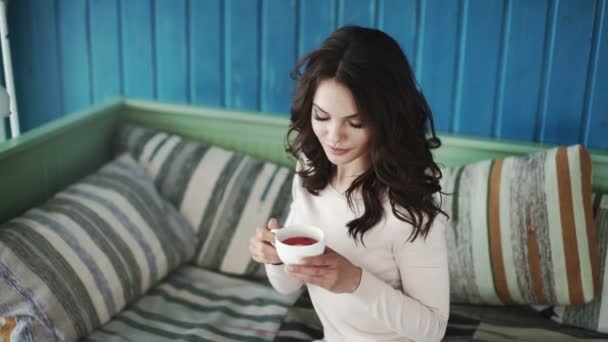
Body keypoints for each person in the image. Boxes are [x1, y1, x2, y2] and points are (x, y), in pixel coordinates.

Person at [249, 25, 449, 342]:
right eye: (321, 117)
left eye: (355, 123)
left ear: (386, 119)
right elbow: (287, 285)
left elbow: (433, 330)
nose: (334, 137)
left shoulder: (408, 205)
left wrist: (356, 281)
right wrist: (276, 257)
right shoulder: (310, 167)